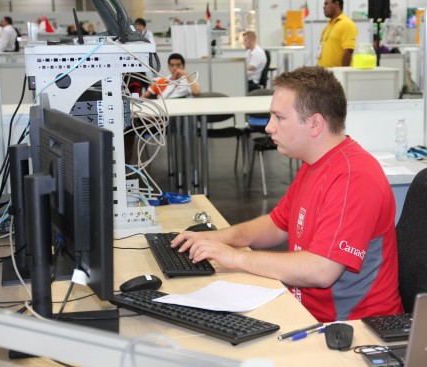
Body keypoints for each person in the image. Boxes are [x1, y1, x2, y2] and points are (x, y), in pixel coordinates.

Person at [171, 66, 403, 322]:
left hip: (350, 330)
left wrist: (236, 257)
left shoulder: (354, 177)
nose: (269, 127)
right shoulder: (315, 164)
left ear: (315, 123)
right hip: (304, 310)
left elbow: (321, 270)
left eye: (279, 118)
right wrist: (215, 239)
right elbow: (276, 224)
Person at [317, 0, 358, 67]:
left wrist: (343, 74)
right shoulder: (328, 26)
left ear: (336, 3)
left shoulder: (347, 24)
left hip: (336, 74)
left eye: (326, 4)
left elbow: (348, 51)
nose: (324, 7)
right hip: (324, 73)